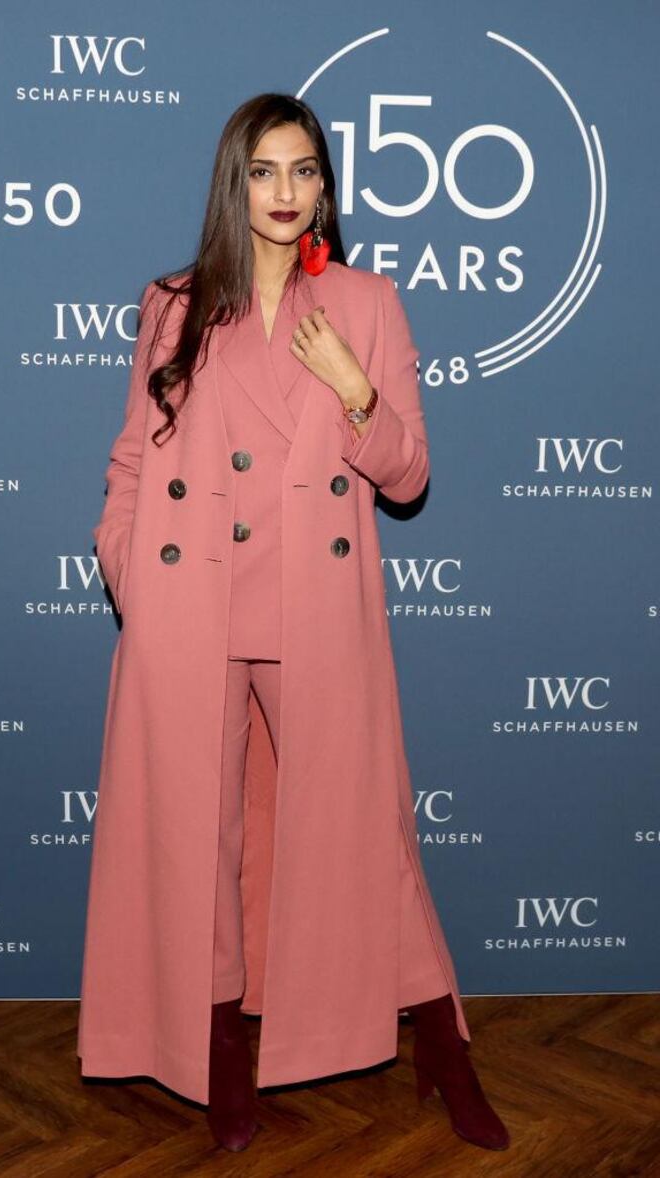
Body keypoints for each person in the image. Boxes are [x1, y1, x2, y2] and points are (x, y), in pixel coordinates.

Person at [77, 93, 510, 1155]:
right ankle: (223, 1060)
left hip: (312, 607)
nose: (284, 192)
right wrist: (131, 569)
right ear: (235, 182)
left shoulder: (364, 301)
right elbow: (132, 460)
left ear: (324, 186)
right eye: (265, 171)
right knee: (199, 835)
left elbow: (407, 473)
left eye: (304, 170)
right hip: (192, 609)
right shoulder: (174, 305)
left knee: (369, 828)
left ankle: (441, 1047)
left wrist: (355, 391)